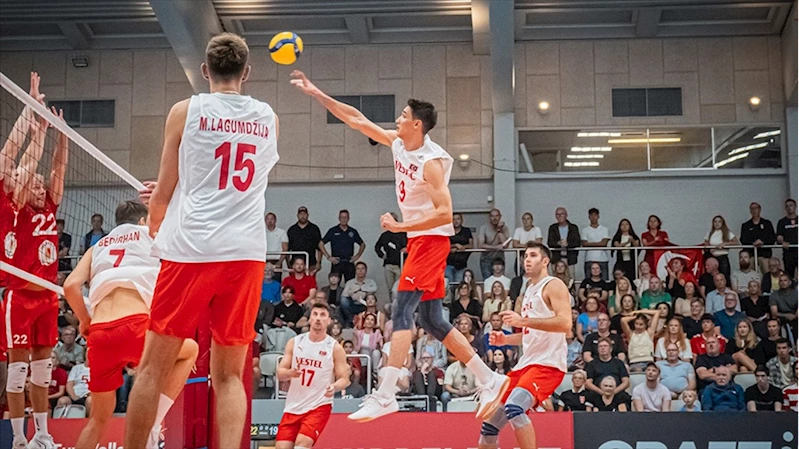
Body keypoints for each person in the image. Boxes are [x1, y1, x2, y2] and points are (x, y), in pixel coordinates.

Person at [291, 69, 508, 422]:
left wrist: (400, 226)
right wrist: (318, 93)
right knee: (433, 320)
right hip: (420, 240)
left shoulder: (431, 163)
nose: (398, 119)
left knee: (402, 310)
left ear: (417, 124)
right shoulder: (398, 143)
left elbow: (445, 214)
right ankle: (490, 378)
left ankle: (386, 393)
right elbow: (357, 120)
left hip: (431, 240)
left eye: (404, 115)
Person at [125, 33, 279, 449]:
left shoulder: (185, 111)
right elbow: (235, 181)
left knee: (151, 369)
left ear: (205, 71)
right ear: (247, 72)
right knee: (229, 376)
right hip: (246, 252)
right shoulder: (268, 117)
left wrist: (156, 223)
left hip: (191, 248)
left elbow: (162, 193)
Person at [63, 200, 198, 449]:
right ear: (143, 221)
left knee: (97, 420)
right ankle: (154, 424)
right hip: (136, 325)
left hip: (100, 333)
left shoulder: (97, 246)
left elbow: (70, 286)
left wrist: (85, 320)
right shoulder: (152, 234)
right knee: (190, 350)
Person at [4, 88, 67, 447]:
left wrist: (63, 136)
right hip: (20, 296)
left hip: (47, 297)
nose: (39, 185)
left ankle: (43, 434)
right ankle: (18, 437)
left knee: (42, 370)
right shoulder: (14, 205)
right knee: (17, 371)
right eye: (33, 183)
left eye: (42, 184)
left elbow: (57, 170)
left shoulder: (50, 207)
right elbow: (25, 165)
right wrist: (36, 125)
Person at [477, 242, 571, 449]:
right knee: (489, 427)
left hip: (547, 365)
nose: (527, 259)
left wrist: (523, 321)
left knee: (514, 408)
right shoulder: (528, 289)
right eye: (525, 256)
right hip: (526, 364)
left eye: (533, 255)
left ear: (545, 261)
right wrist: (506, 340)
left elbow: (565, 324)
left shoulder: (553, 285)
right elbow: (532, 334)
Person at [275, 303, 350, 448]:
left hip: (318, 405)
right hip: (293, 405)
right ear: (309, 319)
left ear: (329, 321)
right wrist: (290, 373)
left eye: (322, 315)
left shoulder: (334, 347)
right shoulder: (295, 342)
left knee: (302, 444)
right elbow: (280, 373)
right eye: (315, 314)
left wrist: (334, 387)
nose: (318, 318)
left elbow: (344, 379)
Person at [319, 210, 366, 283]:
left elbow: (362, 244)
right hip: (336, 262)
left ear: (348, 218)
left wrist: (357, 255)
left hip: (349, 262)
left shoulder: (352, 231)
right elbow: (320, 244)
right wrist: (328, 257)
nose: (343, 219)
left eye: (345, 217)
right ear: (339, 218)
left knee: (351, 285)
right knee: (334, 284)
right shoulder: (333, 231)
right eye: (342, 217)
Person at [374, 218, 407, 297]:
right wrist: (382, 255)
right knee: (390, 289)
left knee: (400, 288)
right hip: (388, 265)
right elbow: (377, 247)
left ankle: (399, 303)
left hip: (400, 265)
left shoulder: (403, 234)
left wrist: (407, 249)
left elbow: (412, 245)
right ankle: (392, 303)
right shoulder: (385, 235)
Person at [740, 202, 776, 275]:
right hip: (751, 254)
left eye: (756, 208)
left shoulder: (767, 223)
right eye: (752, 209)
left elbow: (772, 238)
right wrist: (753, 243)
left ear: (759, 209)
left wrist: (762, 242)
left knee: (767, 272)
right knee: (749, 273)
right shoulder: (746, 225)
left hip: (764, 254)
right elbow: (743, 239)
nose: (754, 210)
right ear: (750, 211)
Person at [339, 262, 379, 326]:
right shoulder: (350, 282)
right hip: (353, 304)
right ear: (355, 271)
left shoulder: (370, 281)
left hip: (365, 304)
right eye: (358, 269)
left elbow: (375, 288)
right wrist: (352, 294)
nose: (360, 271)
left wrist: (362, 290)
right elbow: (344, 295)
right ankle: (352, 320)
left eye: (362, 269)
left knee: (371, 298)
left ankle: (367, 321)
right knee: (343, 300)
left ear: (366, 270)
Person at [287, 206, 323, 275]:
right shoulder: (292, 230)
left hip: (311, 264)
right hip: (295, 264)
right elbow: (287, 249)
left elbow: (320, 248)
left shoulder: (314, 229)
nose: (302, 216)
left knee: (309, 281)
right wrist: (288, 264)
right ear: (297, 215)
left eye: (304, 214)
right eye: (301, 214)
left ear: (308, 215)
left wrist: (319, 263)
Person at [477, 209, 511, 279]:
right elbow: (480, 245)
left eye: (497, 216)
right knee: (487, 281)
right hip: (486, 260)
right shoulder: (484, 228)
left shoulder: (505, 228)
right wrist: (496, 247)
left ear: (500, 216)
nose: (495, 218)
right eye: (492, 216)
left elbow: (505, 245)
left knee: (500, 280)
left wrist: (499, 230)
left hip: (499, 259)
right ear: (489, 217)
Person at [547, 207, 581, 278]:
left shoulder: (573, 227)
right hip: (556, 258)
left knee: (571, 278)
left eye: (562, 214)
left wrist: (568, 244)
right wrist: (558, 243)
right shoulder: (552, 228)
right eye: (557, 214)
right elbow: (550, 242)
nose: (560, 216)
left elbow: (577, 242)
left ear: (566, 215)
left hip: (570, 258)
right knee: (555, 279)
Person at [582, 208, 611, 281]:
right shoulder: (585, 230)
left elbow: (604, 243)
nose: (593, 217)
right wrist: (599, 243)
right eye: (591, 215)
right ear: (589, 217)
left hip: (603, 259)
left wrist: (590, 243)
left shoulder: (604, 229)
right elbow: (584, 244)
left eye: (595, 215)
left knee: (604, 281)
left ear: (598, 216)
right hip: (589, 259)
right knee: (588, 281)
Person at [446, 212, 473, 286]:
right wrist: (455, 245)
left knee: (459, 285)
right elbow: (443, 246)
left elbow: (471, 245)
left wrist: (463, 247)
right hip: (448, 263)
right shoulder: (447, 231)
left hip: (461, 263)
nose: (456, 221)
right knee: (449, 286)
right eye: (454, 219)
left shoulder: (466, 231)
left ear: (462, 220)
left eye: (458, 219)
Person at [776, 198, 799, 279]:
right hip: (788, 254)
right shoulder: (782, 222)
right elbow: (778, 237)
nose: (789, 208)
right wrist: (781, 241)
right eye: (787, 206)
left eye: (791, 205)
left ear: (795, 206)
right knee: (789, 277)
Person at [264, 212, 289, 280]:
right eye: (268, 219)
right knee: (264, 282)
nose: (270, 221)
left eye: (272, 219)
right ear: (265, 221)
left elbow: (285, 249)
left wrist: (279, 262)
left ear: (275, 220)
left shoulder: (282, 232)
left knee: (276, 281)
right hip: (264, 260)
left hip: (277, 260)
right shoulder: (261, 232)